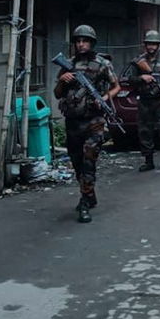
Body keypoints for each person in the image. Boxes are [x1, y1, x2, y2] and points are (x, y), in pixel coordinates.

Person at [53, 24, 120, 223]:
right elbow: (57, 94)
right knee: (77, 163)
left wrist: (104, 98)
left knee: (89, 160)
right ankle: (89, 194)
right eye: (78, 41)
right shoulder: (68, 64)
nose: (81, 45)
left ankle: (84, 203)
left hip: (94, 121)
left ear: (91, 43)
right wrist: (62, 81)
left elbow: (116, 86)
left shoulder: (102, 64)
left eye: (85, 41)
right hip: (73, 122)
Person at [129, 30, 160, 171]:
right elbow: (129, 79)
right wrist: (141, 78)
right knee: (145, 132)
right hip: (145, 101)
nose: (151, 47)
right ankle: (148, 160)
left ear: (158, 45)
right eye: (149, 44)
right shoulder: (138, 61)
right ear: (145, 45)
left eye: (153, 44)